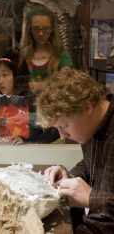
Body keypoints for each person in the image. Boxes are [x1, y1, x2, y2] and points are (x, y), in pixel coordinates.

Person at [36, 66, 114, 233]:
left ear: (87, 107)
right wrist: (67, 175)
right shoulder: (92, 127)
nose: (63, 136)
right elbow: (89, 164)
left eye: (64, 126)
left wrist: (91, 198)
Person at [0, 58, 59, 144]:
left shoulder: (31, 101)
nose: (0, 81)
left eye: (5, 75)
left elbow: (53, 127)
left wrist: (27, 140)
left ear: (15, 76)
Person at [17, 5, 72, 84]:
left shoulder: (60, 54)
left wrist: (42, 85)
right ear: (30, 30)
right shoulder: (24, 54)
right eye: (36, 29)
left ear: (52, 29)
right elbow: (20, 82)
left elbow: (67, 82)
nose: (41, 33)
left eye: (46, 28)